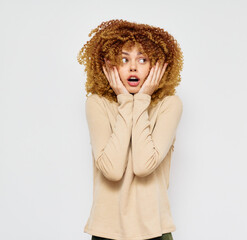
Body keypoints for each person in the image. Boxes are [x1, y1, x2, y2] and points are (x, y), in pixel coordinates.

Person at [77, 19, 184, 240]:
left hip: (155, 230)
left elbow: (144, 166)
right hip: (106, 232)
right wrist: (126, 102)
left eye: (142, 59)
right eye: (124, 59)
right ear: (108, 65)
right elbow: (113, 170)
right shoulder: (97, 104)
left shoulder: (169, 105)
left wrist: (142, 99)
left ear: (157, 66)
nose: (133, 67)